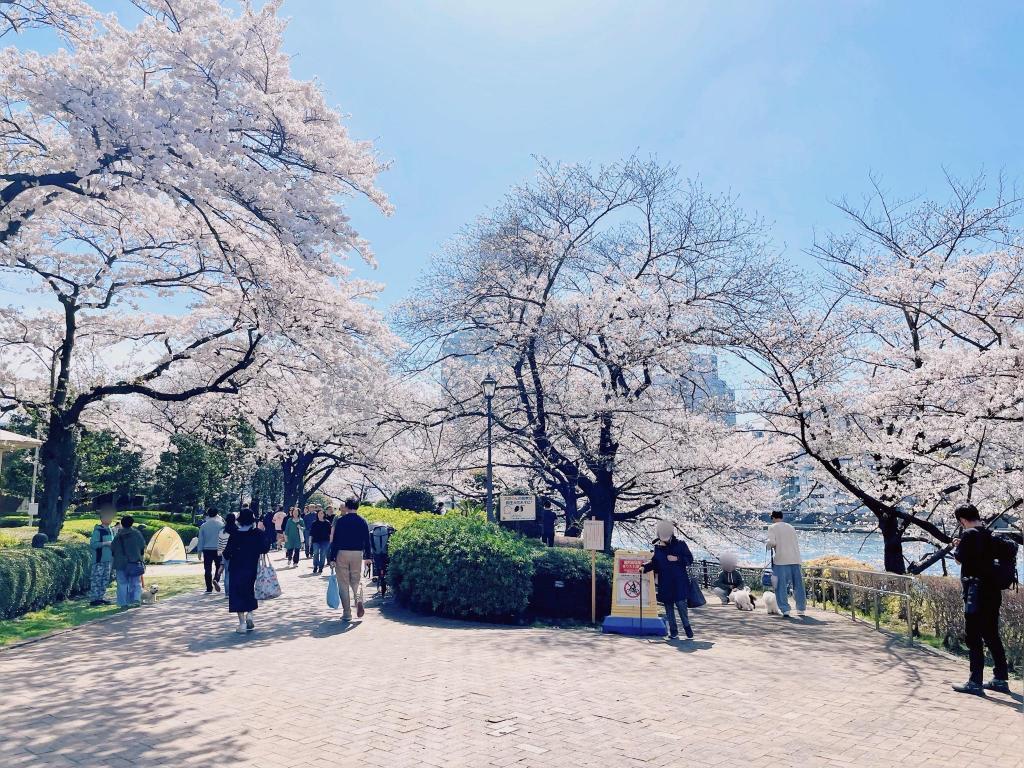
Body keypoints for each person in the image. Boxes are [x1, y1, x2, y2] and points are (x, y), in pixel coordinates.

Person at [951, 504, 1010, 696]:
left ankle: (975, 682)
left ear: (962, 520)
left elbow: (959, 560)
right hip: (993, 593)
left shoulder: (969, 535)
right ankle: (1000, 679)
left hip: (975, 594)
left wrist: (957, 547)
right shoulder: (990, 535)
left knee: (974, 637)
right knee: (992, 635)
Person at [641, 520, 695, 640]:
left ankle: (688, 630)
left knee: (681, 607)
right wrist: (645, 567)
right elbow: (655, 562)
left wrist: (677, 558)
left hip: (679, 582)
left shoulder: (680, 544)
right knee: (669, 608)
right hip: (665, 582)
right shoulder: (658, 548)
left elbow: (690, 559)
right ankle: (673, 632)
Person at [222, 508, 271, 634]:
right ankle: (250, 613)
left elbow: (227, 553)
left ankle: (242, 623)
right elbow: (265, 549)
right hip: (251, 567)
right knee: (249, 591)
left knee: (237, 594)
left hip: (236, 568)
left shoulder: (235, 534)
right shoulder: (258, 533)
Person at [329, 497, 372, 621]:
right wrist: (368, 557)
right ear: (357, 506)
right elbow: (367, 540)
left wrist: (332, 557)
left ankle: (347, 613)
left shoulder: (341, 521)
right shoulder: (362, 521)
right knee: (356, 580)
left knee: (343, 584)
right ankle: (358, 599)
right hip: (357, 553)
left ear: (346, 507)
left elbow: (335, 540)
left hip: (342, 553)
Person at [767, 511, 806, 619]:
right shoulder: (790, 527)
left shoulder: (772, 527)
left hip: (781, 560)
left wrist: (768, 544)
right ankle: (801, 608)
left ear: (773, 518)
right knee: (798, 585)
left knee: (781, 586)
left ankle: (785, 609)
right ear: (782, 517)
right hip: (795, 559)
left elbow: (772, 543)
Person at [110, 515, 146, 608]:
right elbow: (142, 546)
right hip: (134, 562)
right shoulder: (136, 533)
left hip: (120, 563)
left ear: (122, 523)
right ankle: (136, 600)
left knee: (122, 583)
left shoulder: (118, 535)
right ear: (132, 523)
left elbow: (113, 548)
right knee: (135, 582)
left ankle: (123, 603)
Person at [87, 505, 116, 606]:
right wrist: (106, 543)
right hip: (99, 560)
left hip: (108, 560)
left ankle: (101, 597)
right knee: (97, 579)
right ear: (102, 519)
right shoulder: (98, 530)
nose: (110, 519)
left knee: (105, 579)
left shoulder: (111, 530)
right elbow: (93, 544)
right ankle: (94, 599)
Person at [197, 507, 225, 593]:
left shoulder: (204, 526)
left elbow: (201, 539)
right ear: (217, 514)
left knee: (207, 569)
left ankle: (209, 588)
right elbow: (223, 538)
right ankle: (216, 579)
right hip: (218, 549)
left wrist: (199, 551)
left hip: (207, 549)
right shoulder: (221, 525)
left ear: (208, 514)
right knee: (219, 567)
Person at [309, 509, 332, 575]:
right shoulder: (314, 523)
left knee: (323, 554)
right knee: (315, 553)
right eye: (319, 513)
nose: (320, 515)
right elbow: (311, 533)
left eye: (322, 513)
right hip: (316, 540)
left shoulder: (327, 522)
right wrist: (310, 541)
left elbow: (330, 533)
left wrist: (330, 541)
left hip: (325, 541)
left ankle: (321, 567)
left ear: (324, 514)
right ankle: (315, 566)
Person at [219, 513, 237, 596]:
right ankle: (234, 590)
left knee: (227, 573)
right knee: (235, 572)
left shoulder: (223, 530)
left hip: (225, 553)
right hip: (235, 553)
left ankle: (227, 592)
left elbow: (220, 543)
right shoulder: (237, 529)